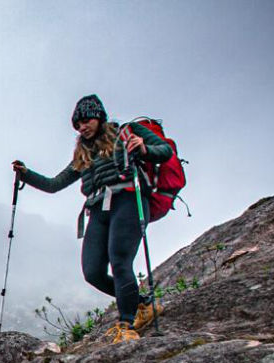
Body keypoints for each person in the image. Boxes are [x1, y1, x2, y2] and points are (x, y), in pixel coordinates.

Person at [13, 94, 172, 342]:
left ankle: (126, 325)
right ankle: (143, 304)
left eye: (86, 121)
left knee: (120, 261)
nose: (82, 127)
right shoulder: (83, 154)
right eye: (78, 125)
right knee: (93, 271)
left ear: (98, 117)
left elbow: (165, 151)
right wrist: (26, 174)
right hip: (98, 209)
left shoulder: (127, 133)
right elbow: (55, 184)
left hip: (128, 200)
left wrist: (144, 148)